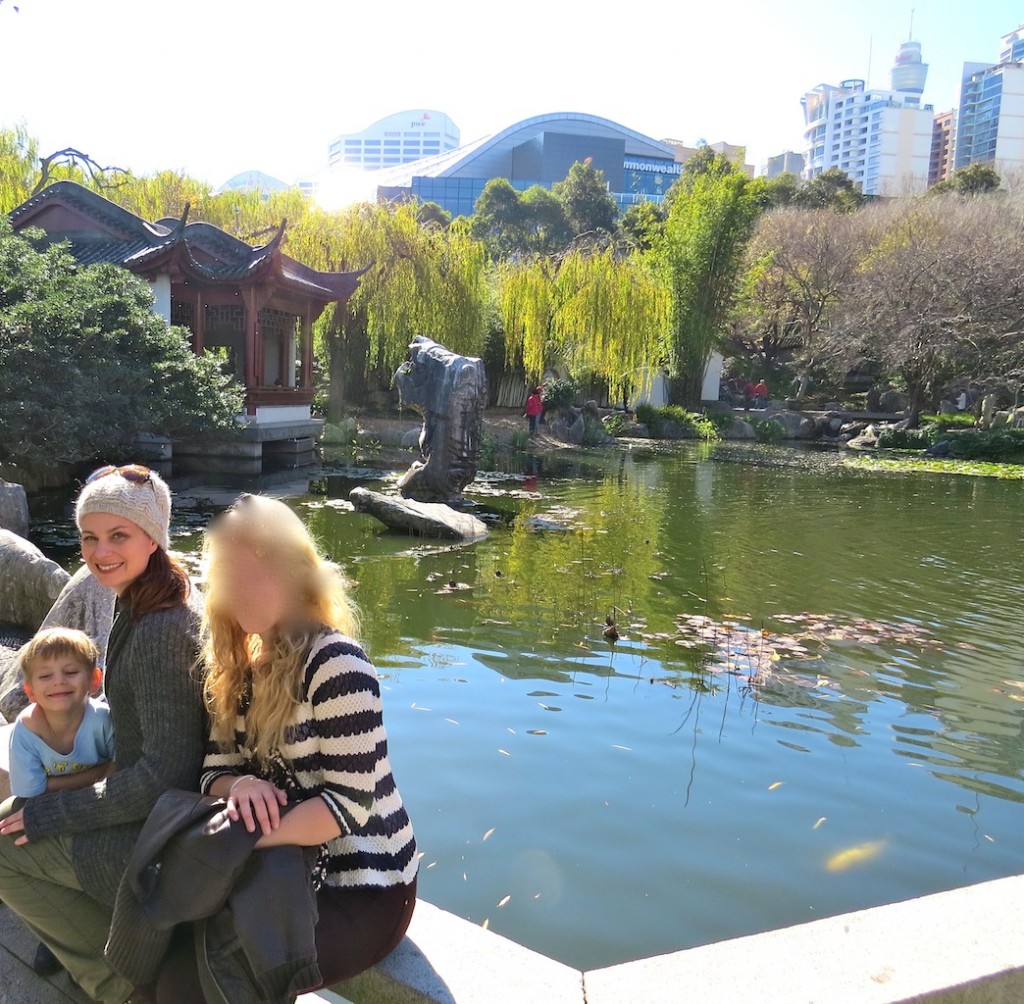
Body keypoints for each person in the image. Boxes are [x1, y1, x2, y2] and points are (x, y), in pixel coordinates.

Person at [149, 493, 417, 1001]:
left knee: (209, 983)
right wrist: (241, 783)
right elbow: (213, 771)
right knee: (175, 966)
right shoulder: (238, 666)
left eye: (255, 567)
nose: (236, 586)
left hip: (365, 884)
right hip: (281, 870)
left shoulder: (337, 664)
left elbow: (348, 806)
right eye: (227, 571)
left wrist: (234, 842)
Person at [0, 463, 206, 1004]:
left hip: (153, 836)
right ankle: (113, 958)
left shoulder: (162, 628)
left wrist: (56, 811)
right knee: (10, 816)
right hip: (140, 812)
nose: (100, 551)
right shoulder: (140, 602)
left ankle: (122, 987)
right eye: (90, 537)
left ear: (154, 538)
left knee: (2, 847)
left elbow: (164, 774)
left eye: (119, 536)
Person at [6, 627, 114, 803]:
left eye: (71, 672)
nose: (59, 681)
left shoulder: (103, 720)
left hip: (97, 801)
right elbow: (29, 790)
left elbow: (119, 768)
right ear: (30, 691)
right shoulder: (26, 731)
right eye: (46, 675)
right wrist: (97, 773)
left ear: (94, 680)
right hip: (44, 803)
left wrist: (50, 783)